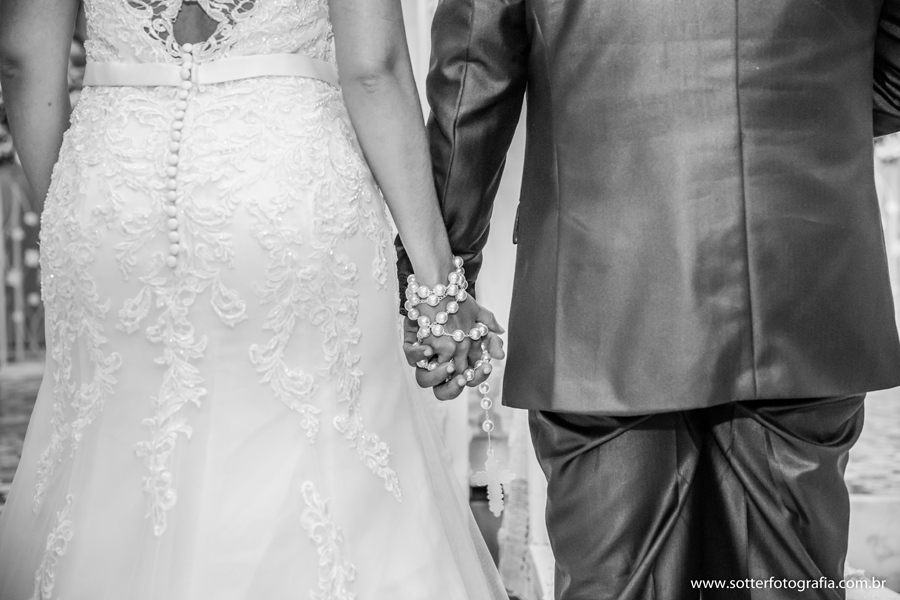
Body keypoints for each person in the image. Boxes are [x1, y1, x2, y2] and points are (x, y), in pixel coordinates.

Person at [0, 0, 508, 598]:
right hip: (285, 185)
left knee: (115, 463)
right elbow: (374, 68)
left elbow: (21, 58)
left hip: (115, 184)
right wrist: (438, 285)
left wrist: (71, 209)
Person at [399, 1, 900, 598]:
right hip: (797, 273)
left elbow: (473, 77)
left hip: (601, 295)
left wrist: (441, 279)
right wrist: (782, 120)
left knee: (617, 583)